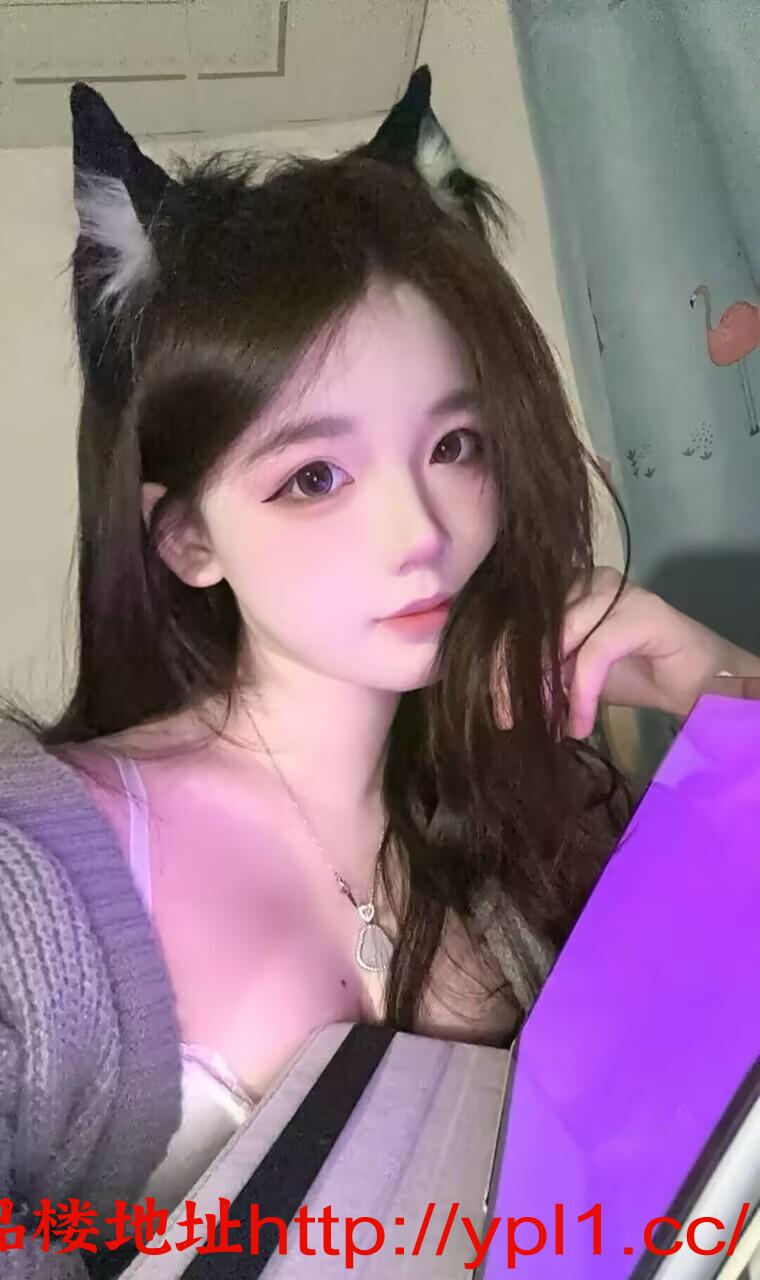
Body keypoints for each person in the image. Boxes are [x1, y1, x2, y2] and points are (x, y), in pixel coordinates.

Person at [1, 68, 758, 1279]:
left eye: (455, 444)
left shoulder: (525, 817)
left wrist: (727, 696)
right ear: (186, 538)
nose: (422, 529)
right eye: (314, 475)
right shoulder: (40, 874)